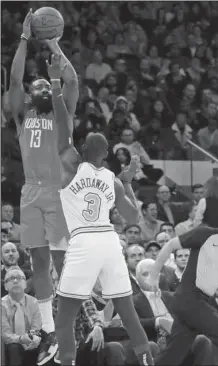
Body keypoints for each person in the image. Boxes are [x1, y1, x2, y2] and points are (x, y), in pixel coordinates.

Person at [46, 54, 154, 366]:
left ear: (82, 150)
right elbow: (133, 218)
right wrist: (129, 180)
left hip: (83, 241)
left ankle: (66, 363)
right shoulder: (112, 179)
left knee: (64, 317)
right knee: (129, 314)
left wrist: (55, 80)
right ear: (106, 154)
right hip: (110, 241)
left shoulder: (70, 165)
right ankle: (148, 362)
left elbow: (62, 122)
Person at [8, 10, 79, 365]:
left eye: (43, 85)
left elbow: (72, 82)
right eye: (34, 85)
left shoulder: (63, 114)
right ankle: (49, 329)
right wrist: (23, 40)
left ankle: (69, 322)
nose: (37, 86)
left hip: (58, 191)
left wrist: (54, 45)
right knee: (37, 259)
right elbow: (15, 82)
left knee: (64, 260)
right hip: (30, 192)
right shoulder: (22, 115)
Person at [149, 204, 218, 366]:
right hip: (189, 299)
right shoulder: (205, 233)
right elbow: (170, 245)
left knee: (174, 353)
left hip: (196, 303)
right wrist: (154, 276)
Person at [2, 267, 42, 366]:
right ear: (5, 286)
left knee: (42, 344)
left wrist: (35, 337)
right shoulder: (1, 305)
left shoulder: (33, 302)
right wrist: (20, 339)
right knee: (14, 347)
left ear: (25, 284)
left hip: (30, 341)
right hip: (9, 346)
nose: (15, 281)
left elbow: (36, 327)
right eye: (11, 278)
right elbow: (5, 334)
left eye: (19, 278)